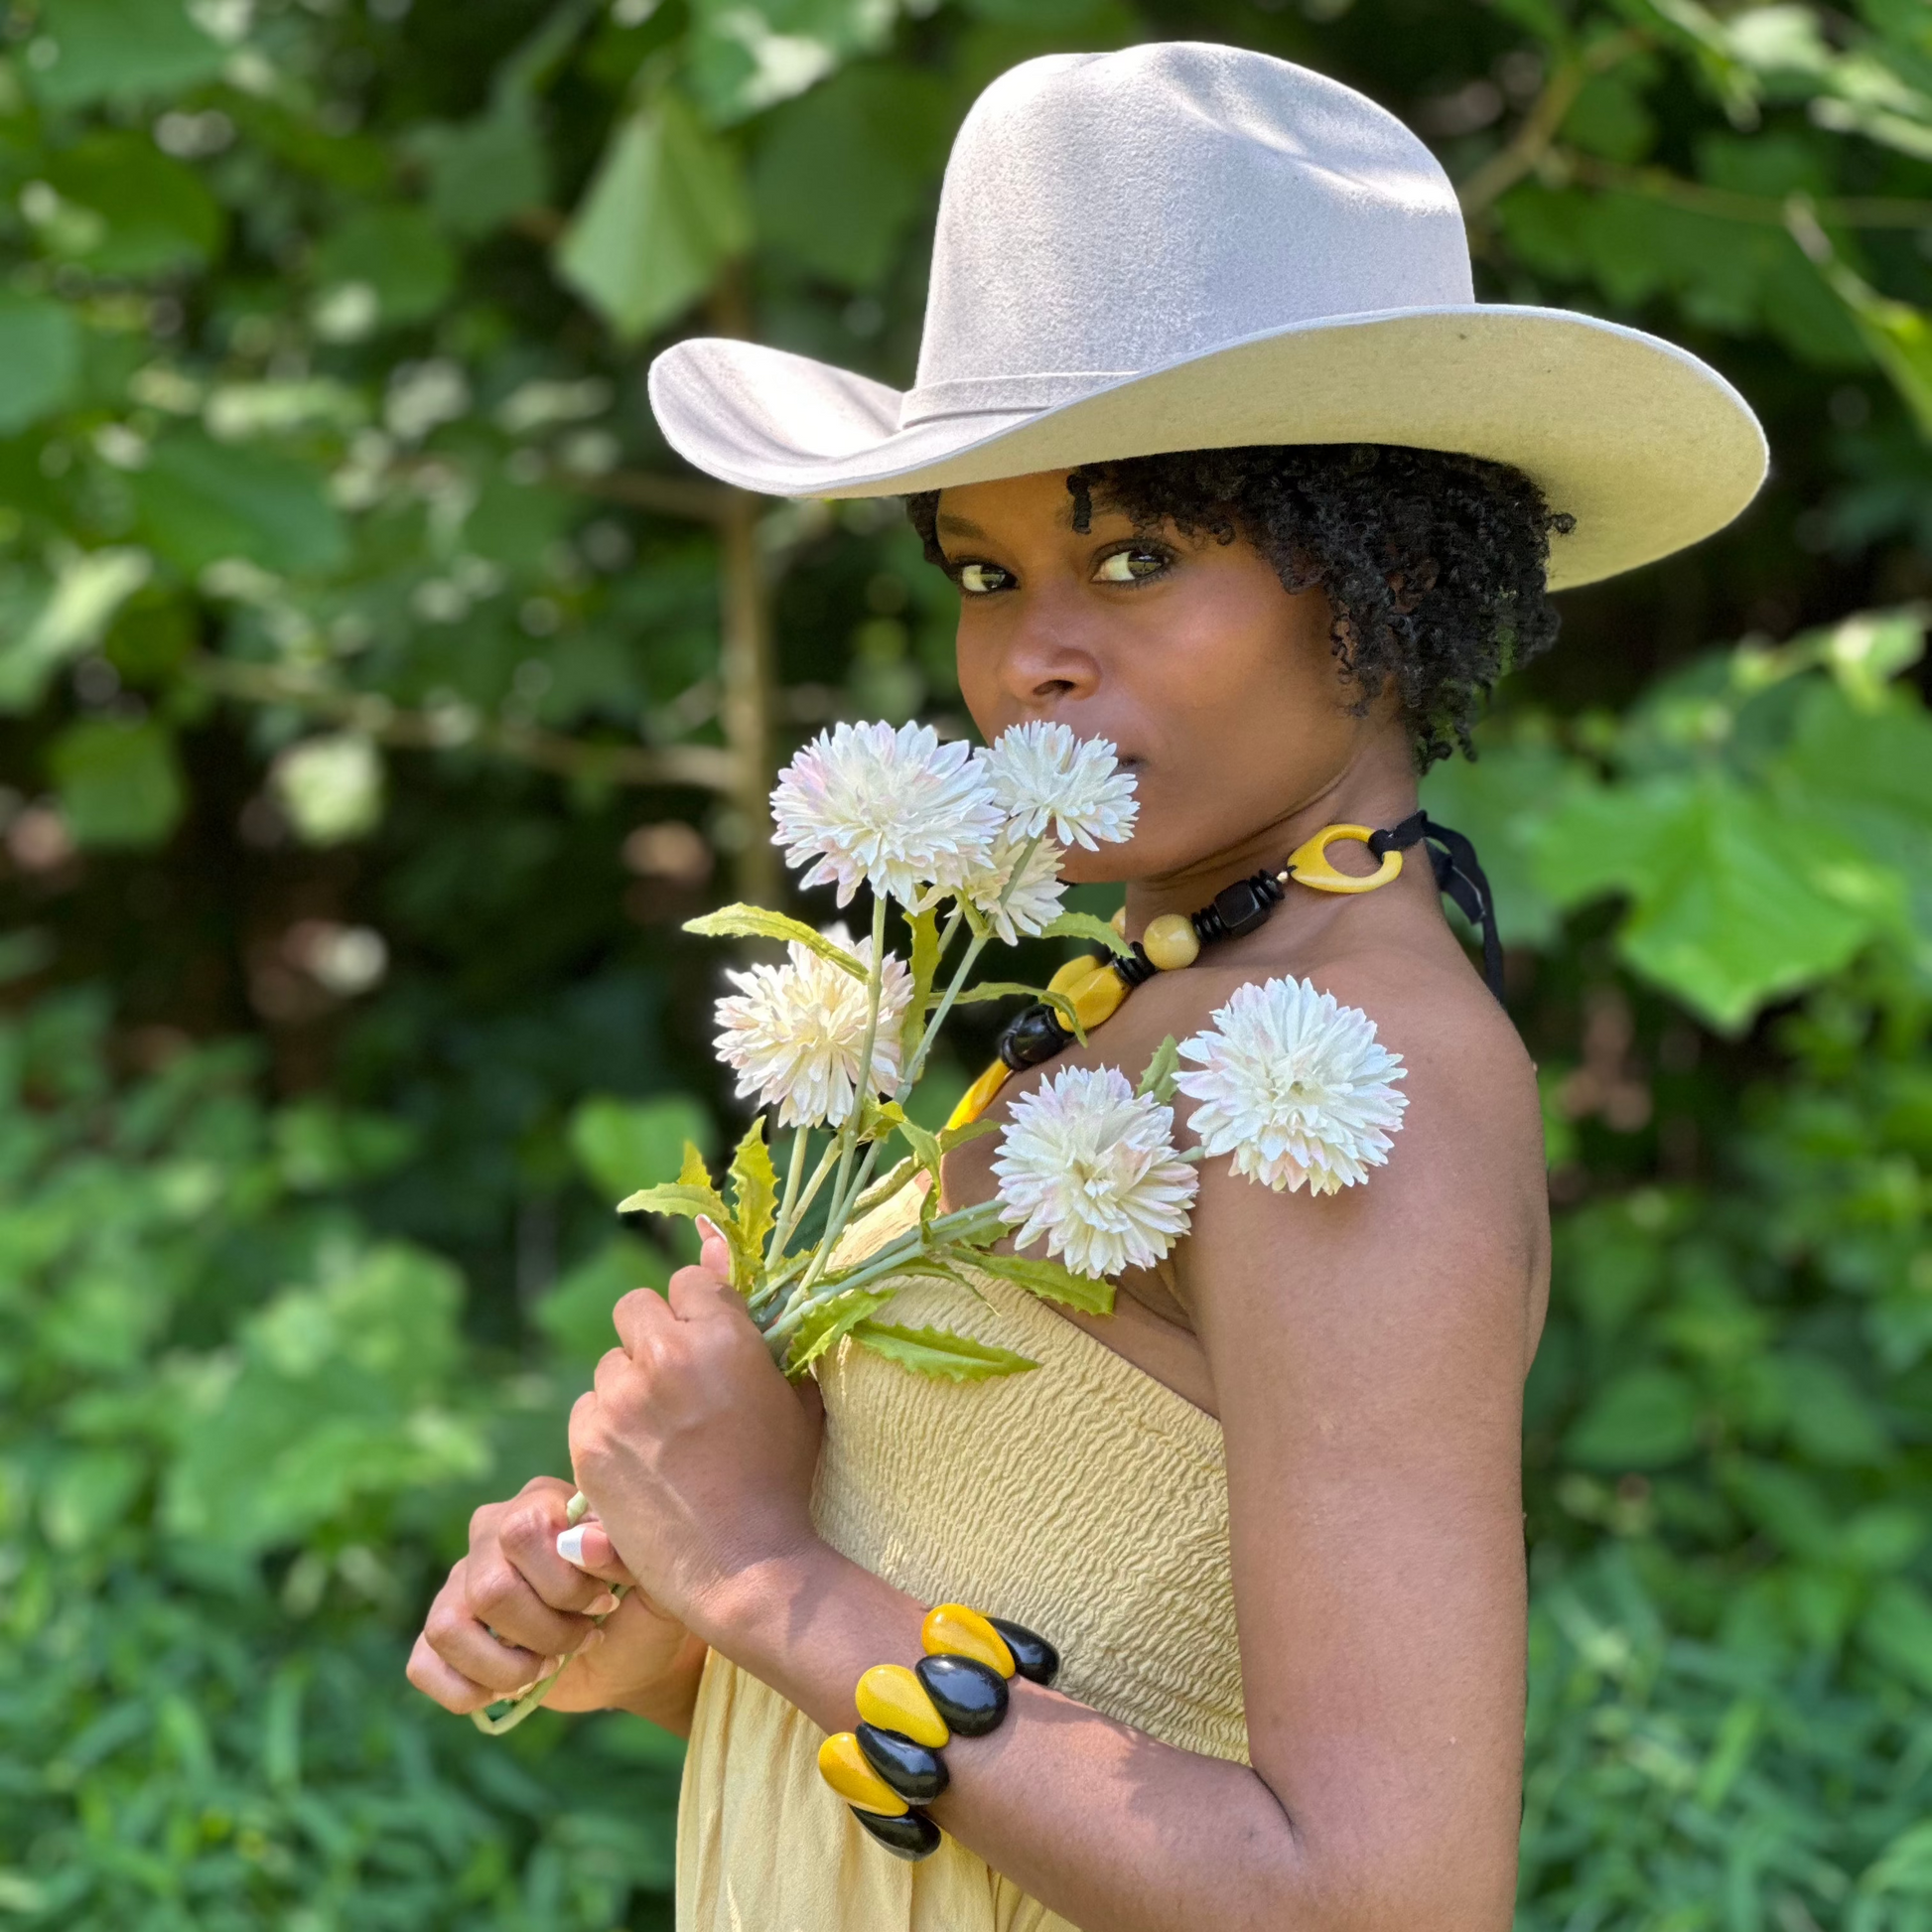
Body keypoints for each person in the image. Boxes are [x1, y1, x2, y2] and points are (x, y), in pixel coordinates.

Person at [406, 42, 1764, 1932]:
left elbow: (1379, 1898)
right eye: (983, 567)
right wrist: (653, 1605)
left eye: (1135, 553)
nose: (1029, 656)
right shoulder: (1151, 988)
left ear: (1379, 581)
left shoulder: (1337, 1078)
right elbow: (1030, 1686)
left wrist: (755, 1570)